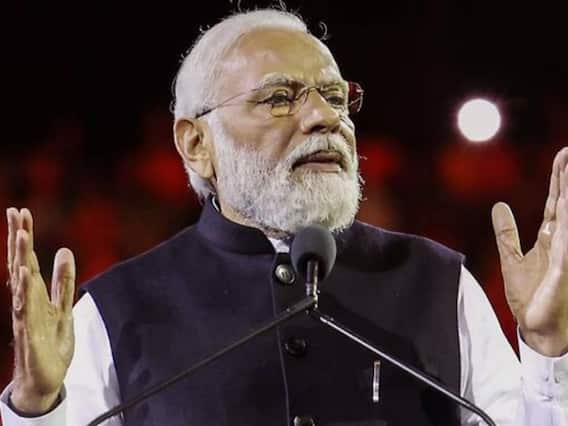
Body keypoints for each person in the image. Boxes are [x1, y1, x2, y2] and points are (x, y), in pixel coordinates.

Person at [2, 7, 568, 426]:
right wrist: (37, 409)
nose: (324, 118)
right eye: (279, 97)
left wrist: (547, 349)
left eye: (335, 96)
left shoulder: (439, 284)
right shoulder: (115, 311)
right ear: (197, 143)